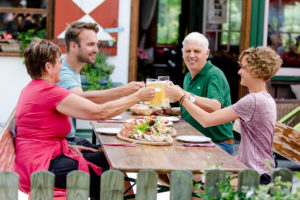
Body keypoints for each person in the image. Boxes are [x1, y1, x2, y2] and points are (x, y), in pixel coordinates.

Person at [13, 38, 154, 199]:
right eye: (59, 62)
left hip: (35, 161)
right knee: (106, 163)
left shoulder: (35, 88)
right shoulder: (49, 92)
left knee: (102, 157)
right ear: (48, 67)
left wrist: (65, 147)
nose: (62, 67)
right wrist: (137, 97)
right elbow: (100, 112)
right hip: (41, 168)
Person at [165, 46, 282, 184]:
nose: (239, 72)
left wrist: (181, 97)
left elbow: (207, 120)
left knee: (181, 175)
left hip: (254, 176)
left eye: (244, 67)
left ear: (257, 70)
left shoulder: (254, 100)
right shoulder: (263, 98)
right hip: (253, 168)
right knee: (185, 174)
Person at [57, 21, 146, 149]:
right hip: (62, 143)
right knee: (117, 152)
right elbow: (81, 100)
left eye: (96, 45)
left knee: (116, 148)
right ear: (73, 46)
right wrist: (125, 91)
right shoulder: (63, 73)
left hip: (68, 140)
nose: (96, 50)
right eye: (90, 44)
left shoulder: (72, 70)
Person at [175, 32, 234, 155]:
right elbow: (191, 106)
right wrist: (169, 111)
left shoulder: (214, 74)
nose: (191, 55)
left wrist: (182, 94)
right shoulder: (188, 76)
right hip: (193, 141)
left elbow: (214, 106)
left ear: (207, 53)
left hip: (217, 144)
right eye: (188, 51)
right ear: (182, 52)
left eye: (197, 51)